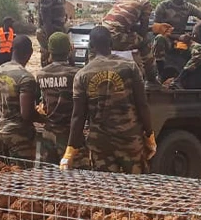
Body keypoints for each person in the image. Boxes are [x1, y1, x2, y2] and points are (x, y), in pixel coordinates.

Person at [62, 27, 154, 173]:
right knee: (136, 189)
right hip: (130, 141)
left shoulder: (82, 75)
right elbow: (142, 104)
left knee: (106, 190)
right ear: (111, 43)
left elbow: (78, 116)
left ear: (91, 46)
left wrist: (70, 149)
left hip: (100, 144)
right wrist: (149, 135)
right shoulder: (130, 67)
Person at [0, 35, 39, 166]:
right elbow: (26, 114)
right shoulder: (26, 77)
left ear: (11, 49)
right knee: (22, 176)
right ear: (30, 53)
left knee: (5, 173)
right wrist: (45, 118)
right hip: (19, 135)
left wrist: (5, 115)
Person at [35, 32, 79, 163]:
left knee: (50, 178)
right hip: (70, 135)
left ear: (50, 51)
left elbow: (38, 102)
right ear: (69, 50)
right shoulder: (75, 74)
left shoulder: (41, 74)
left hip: (48, 132)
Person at [153, 0, 201, 71]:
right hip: (167, 39)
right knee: (159, 38)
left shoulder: (188, 7)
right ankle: (160, 76)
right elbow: (156, 30)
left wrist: (196, 26)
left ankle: (179, 79)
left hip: (181, 41)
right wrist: (178, 36)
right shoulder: (163, 6)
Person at [102, 0, 155, 77]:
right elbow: (143, 32)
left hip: (103, 35)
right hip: (116, 37)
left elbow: (123, 23)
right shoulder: (145, 2)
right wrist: (152, 29)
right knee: (145, 41)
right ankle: (151, 78)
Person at [36, 0, 68, 66]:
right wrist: (52, 44)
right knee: (50, 68)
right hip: (50, 35)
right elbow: (46, 21)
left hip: (58, 33)